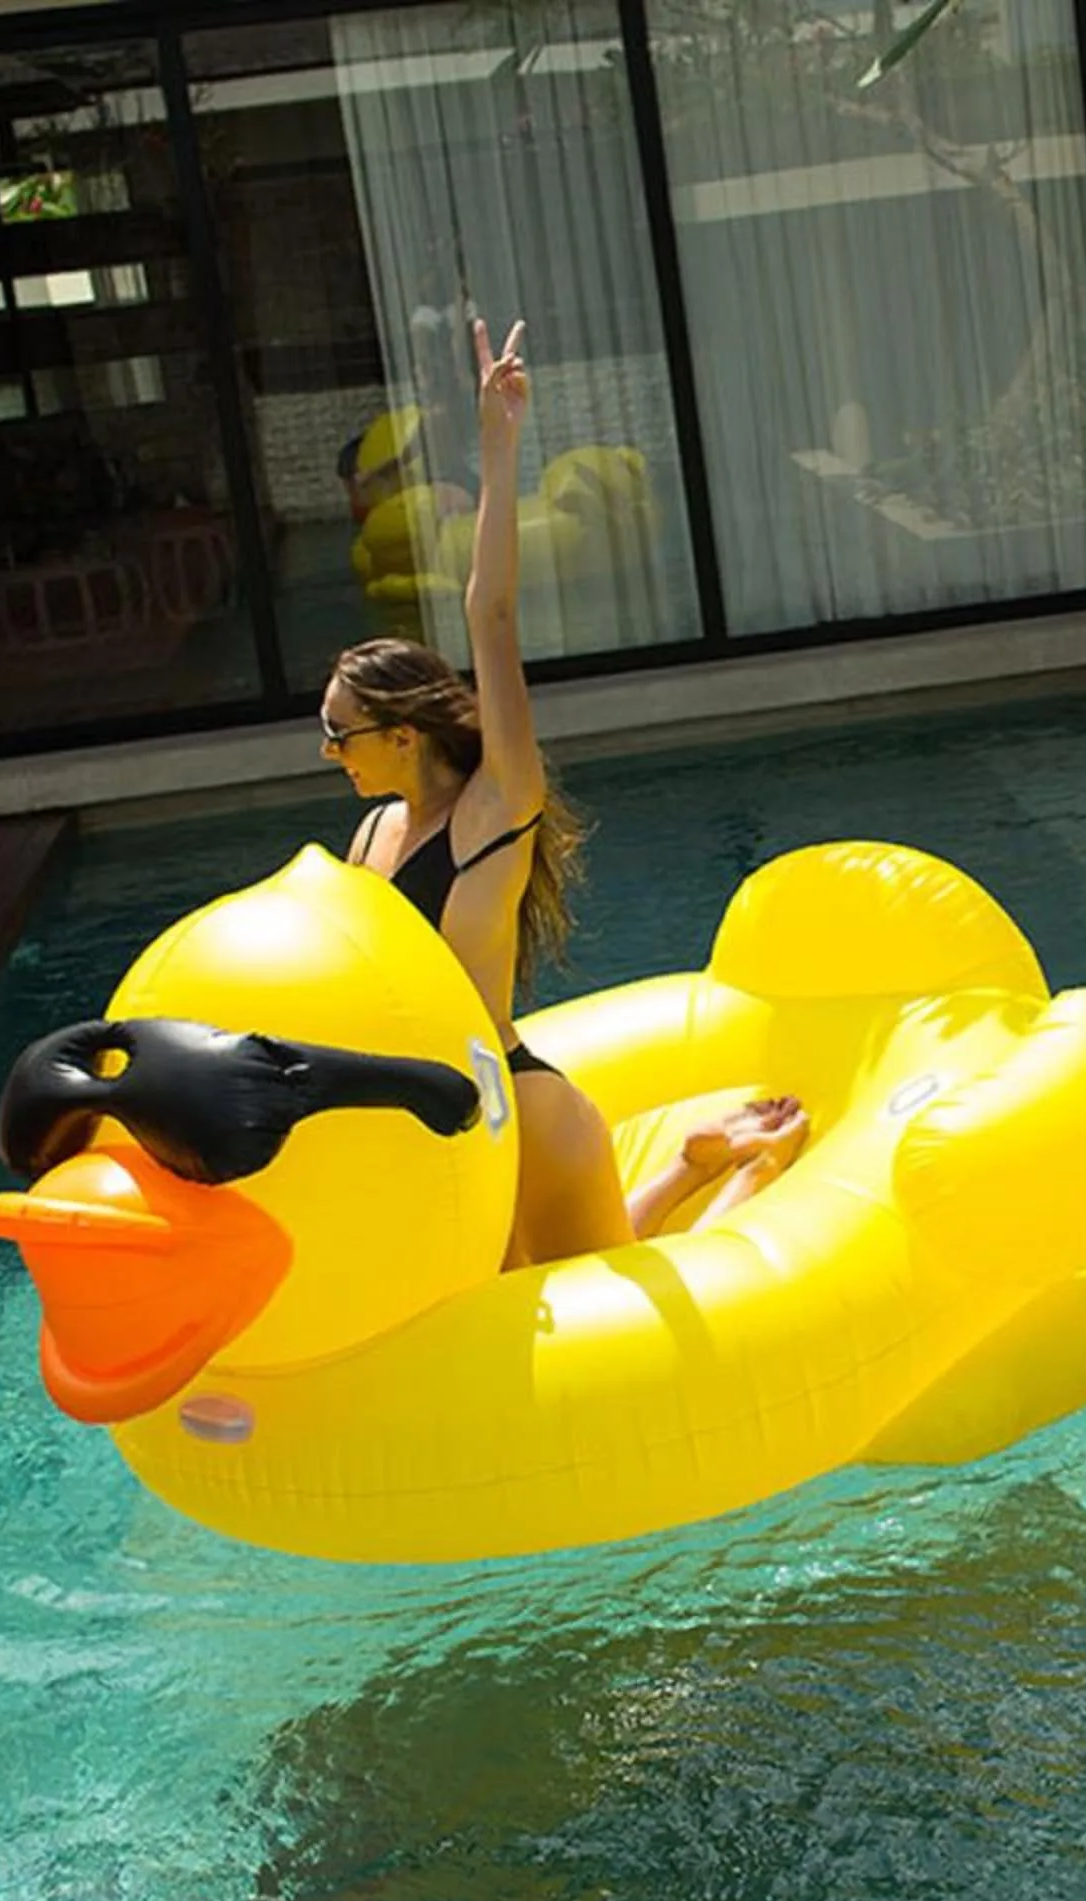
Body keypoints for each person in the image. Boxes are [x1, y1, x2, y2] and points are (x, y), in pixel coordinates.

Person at [322, 314, 807, 1268]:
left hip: (515, 1108)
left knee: (626, 1293)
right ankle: (693, 1162)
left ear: (403, 735)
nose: (330, 753)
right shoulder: (369, 838)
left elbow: (490, 616)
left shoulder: (494, 813)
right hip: (431, 1122)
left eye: (340, 735)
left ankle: (746, 1169)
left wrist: (499, 447)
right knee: (542, 1296)